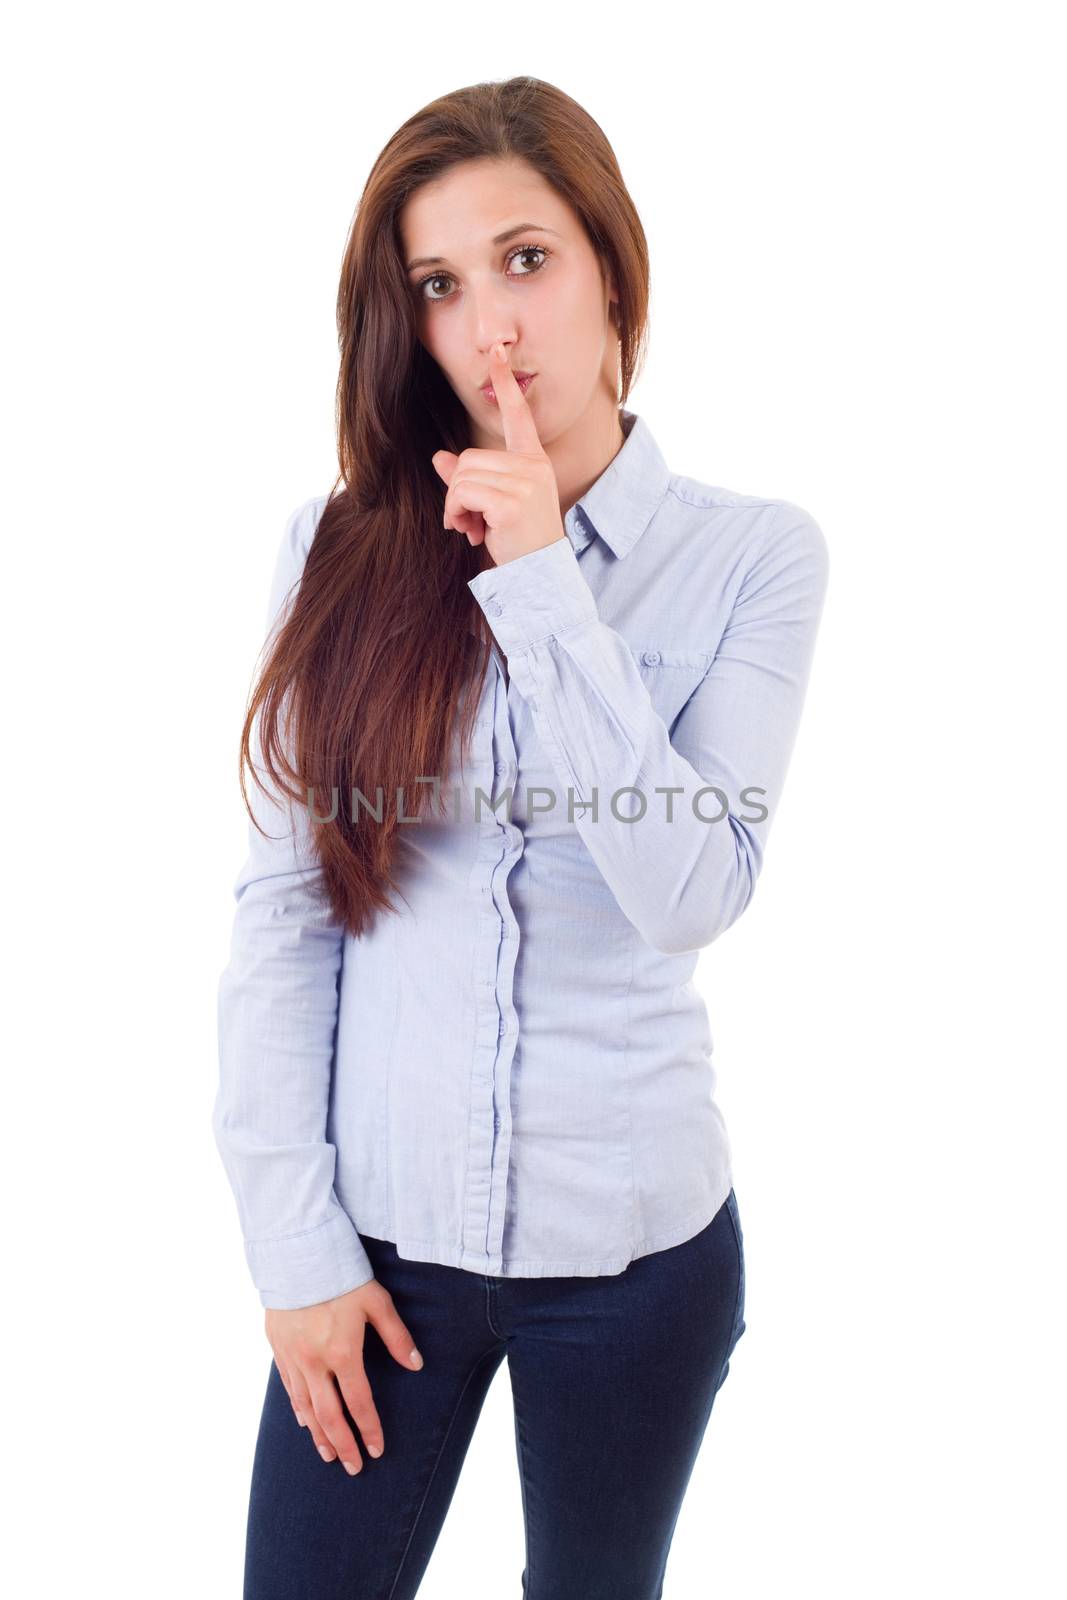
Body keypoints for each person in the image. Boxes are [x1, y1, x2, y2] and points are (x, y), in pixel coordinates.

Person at [213, 75, 829, 1600]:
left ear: (612, 273)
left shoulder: (755, 558)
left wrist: (544, 579)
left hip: (634, 1258)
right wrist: (296, 1254)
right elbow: (285, 921)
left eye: (528, 260)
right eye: (439, 285)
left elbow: (690, 889)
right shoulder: (336, 549)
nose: (492, 324)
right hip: (384, 1252)